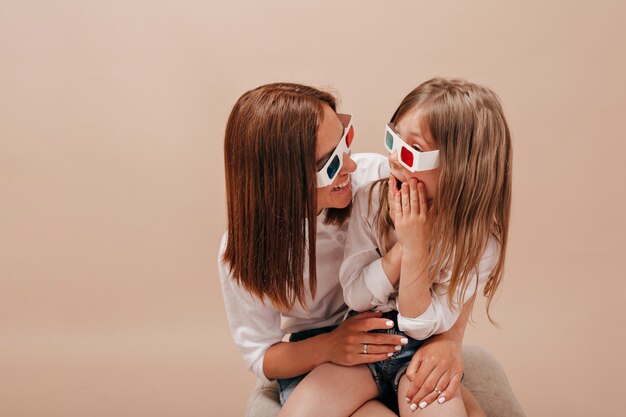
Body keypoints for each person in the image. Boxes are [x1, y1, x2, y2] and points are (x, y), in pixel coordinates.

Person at [218, 82, 485, 416]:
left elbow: (465, 250)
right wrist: (331, 346)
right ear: (282, 180)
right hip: (320, 356)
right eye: (331, 166)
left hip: (397, 335)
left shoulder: (374, 182)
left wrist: (450, 339)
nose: (351, 166)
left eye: (345, 140)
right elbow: (262, 356)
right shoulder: (244, 251)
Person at [277, 78, 512, 417]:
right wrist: (401, 250)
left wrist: (417, 250)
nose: (393, 159)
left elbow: (419, 325)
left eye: (409, 151)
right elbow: (355, 296)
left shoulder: (480, 242)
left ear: (460, 169)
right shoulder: (372, 199)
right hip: (360, 344)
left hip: (420, 350)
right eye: (392, 139)